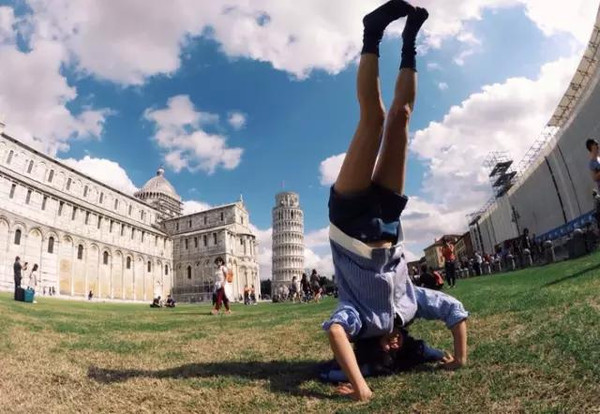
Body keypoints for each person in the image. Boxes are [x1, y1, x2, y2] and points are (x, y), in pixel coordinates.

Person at [322, 2, 468, 402]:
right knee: (400, 117)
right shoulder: (410, 307)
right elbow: (455, 311)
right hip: (387, 221)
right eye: (399, 349)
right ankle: (409, 42)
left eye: (386, 351)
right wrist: (457, 358)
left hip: (350, 223)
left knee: (373, 118)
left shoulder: (359, 321)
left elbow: (335, 332)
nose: (392, 345)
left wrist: (362, 388)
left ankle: (371, 32)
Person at [319, 326, 452, 383]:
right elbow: (433, 353)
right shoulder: (373, 364)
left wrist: (443, 356)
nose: (394, 343)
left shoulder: (414, 349)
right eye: (389, 343)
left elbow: (326, 374)